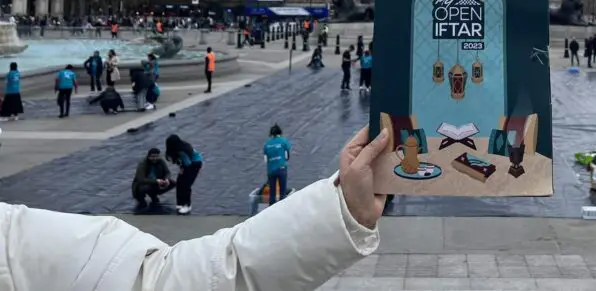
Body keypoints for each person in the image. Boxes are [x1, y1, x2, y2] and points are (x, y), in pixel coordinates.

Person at [0, 126, 387, 289]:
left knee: (268, 187)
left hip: (211, 169)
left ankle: (188, 203)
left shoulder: (15, 241)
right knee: (273, 186)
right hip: (253, 170)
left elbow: (167, 281)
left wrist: (341, 209)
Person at [166, 134, 204, 215]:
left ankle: (187, 205)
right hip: (188, 164)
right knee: (180, 183)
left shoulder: (182, 150)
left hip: (195, 164)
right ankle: (180, 203)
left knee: (186, 184)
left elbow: (188, 164)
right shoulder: (181, 147)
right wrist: (182, 169)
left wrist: (183, 170)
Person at [264, 124, 292, 205]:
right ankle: (282, 208)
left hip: (271, 170)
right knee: (282, 192)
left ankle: (271, 208)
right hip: (281, 169)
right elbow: (287, 156)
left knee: (272, 193)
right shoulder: (283, 141)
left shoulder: (267, 144)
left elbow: (265, 160)